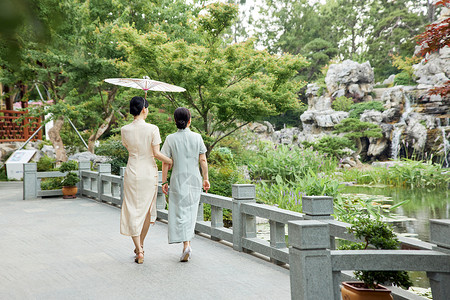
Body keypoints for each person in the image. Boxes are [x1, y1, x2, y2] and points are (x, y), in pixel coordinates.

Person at [120, 96, 172, 264]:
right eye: (147, 108)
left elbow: (128, 148)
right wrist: (171, 161)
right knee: (147, 210)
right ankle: (141, 244)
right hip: (148, 172)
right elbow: (156, 154)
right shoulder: (153, 128)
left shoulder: (124, 130)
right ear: (144, 109)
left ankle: (139, 249)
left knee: (132, 208)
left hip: (132, 169)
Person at [161, 107, 210, 262]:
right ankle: (187, 244)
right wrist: (206, 179)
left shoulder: (170, 139)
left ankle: (186, 244)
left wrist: (164, 181)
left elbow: (165, 162)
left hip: (177, 179)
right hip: (194, 179)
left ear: (175, 121)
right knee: (191, 211)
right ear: (190, 120)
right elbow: (203, 160)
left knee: (179, 212)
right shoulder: (197, 137)